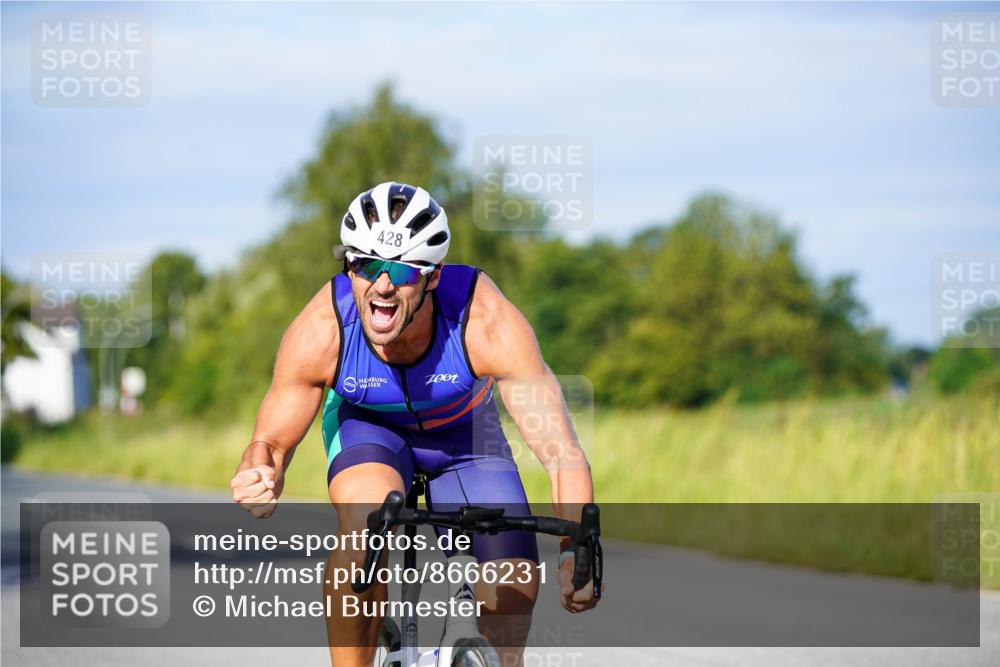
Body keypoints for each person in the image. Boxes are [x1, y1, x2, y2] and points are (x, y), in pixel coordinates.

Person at [230, 182, 598, 666]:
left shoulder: (484, 321)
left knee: (513, 581)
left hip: (464, 439)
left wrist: (578, 546)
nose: (382, 285)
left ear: (432, 276)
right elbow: (269, 444)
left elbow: (560, 451)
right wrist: (261, 473)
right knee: (365, 529)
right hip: (369, 429)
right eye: (365, 264)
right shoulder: (323, 330)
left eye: (401, 269)